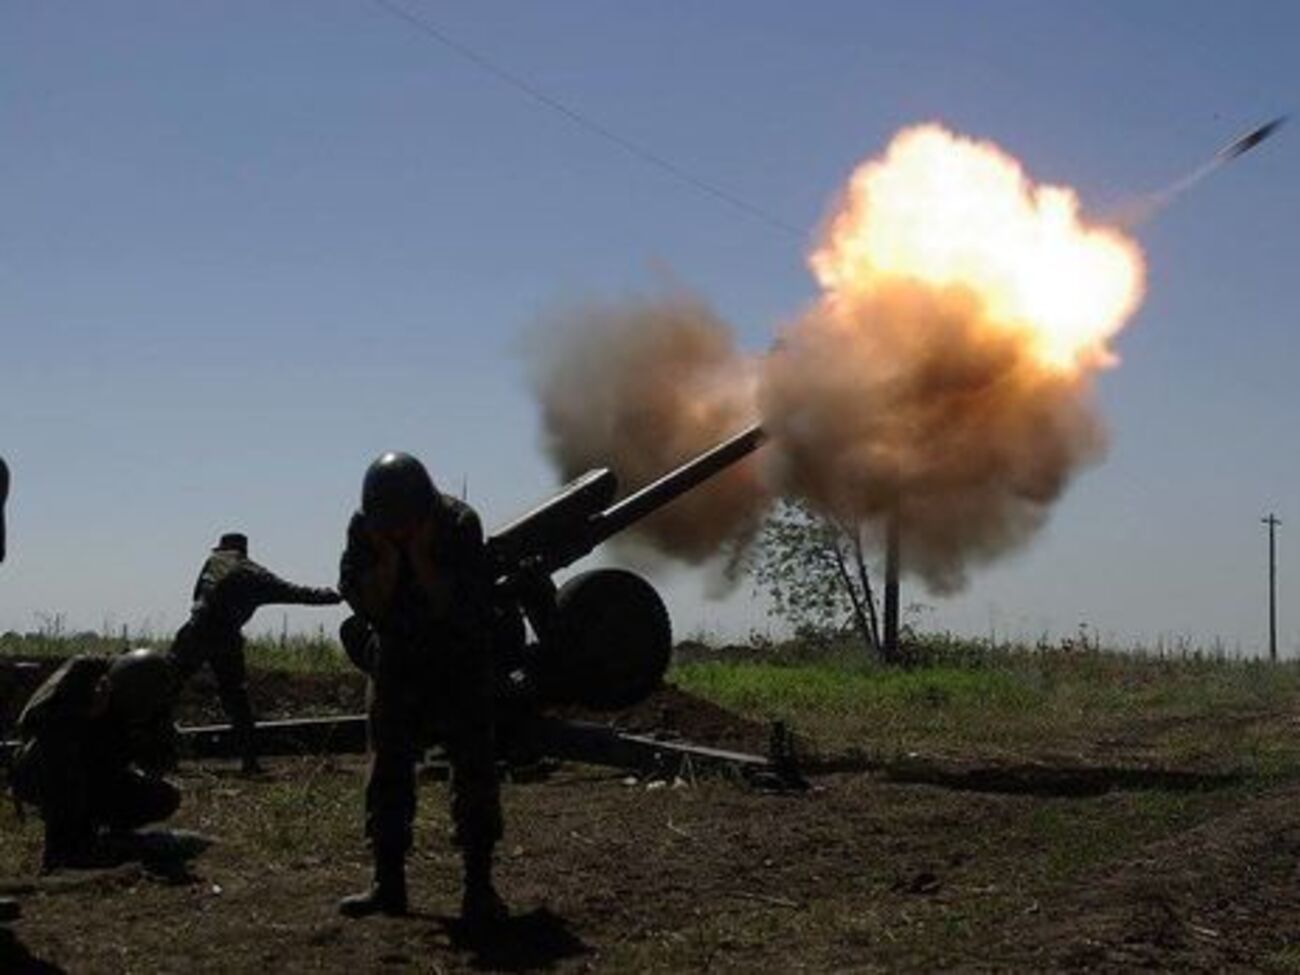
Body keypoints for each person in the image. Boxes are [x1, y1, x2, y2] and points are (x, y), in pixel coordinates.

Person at [336, 451, 505, 928]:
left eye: (405, 522)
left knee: (474, 769)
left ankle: (479, 888)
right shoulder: (366, 528)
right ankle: (387, 884)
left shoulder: (457, 524)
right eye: (389, 524)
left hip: (458, 658)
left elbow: (451, 604)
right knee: (387, 770)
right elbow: (367, 603)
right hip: (397, 659)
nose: (397, 529)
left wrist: (420, 556)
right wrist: (390, 559)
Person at [167, 533, 340, 773]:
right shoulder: (257, 576)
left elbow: (197, 596)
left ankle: (159, 754)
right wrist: (332, 596)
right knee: (236, 698)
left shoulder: (214, 561)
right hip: (227, 637)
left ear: (224, 548)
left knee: (165, 689)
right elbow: (296, 592)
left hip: (197, 630)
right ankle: (250, 761)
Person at [11, 648, 179, 872]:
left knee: (163, 797)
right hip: (43, 773)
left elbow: (159, 761)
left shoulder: (154, 703)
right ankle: (63, 850)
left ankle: (103, 839)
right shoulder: (83, 670)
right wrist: (85, 712)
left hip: (100, 776)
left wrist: (155, 744)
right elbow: (31, 725)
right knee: (60, 751)